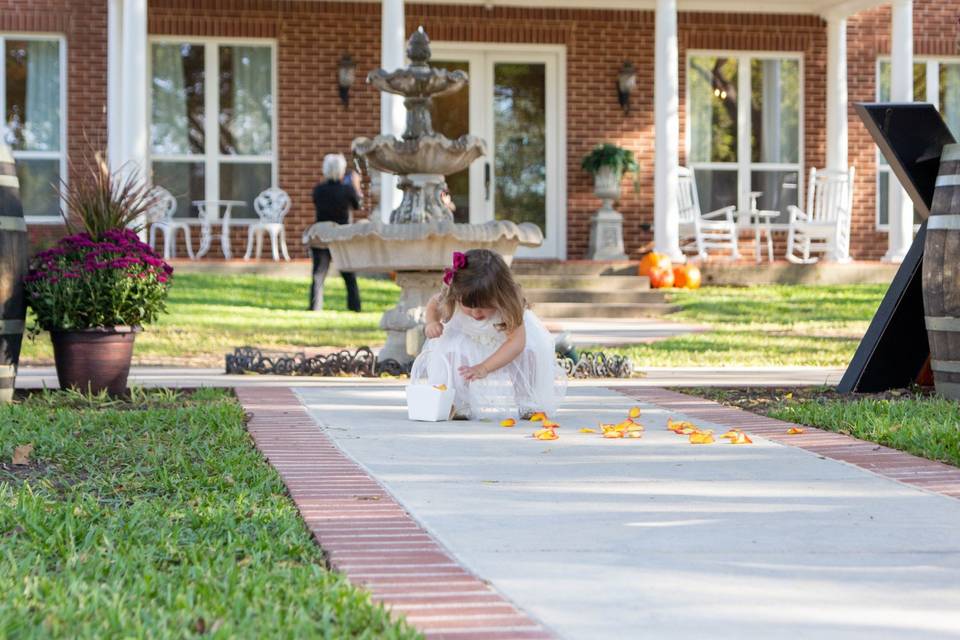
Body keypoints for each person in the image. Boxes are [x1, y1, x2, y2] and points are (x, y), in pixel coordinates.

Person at [410, 249, 567, 420]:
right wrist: (432, 322)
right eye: (468, 306)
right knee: (452, 353)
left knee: (530, 353)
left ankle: (527, 401)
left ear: (500, 296)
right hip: (468, 339)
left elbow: (516, 344)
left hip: (505, 344)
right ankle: (458, 402)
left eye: (484, 306)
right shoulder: (455, 294)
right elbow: (434, 303)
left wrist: (484, 367)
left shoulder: (508, 307)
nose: (476, 312)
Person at [310, 153, 361, 312]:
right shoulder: (347, 190)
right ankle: (354, 307)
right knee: (349, 276)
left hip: (322, 236)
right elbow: (357, 205)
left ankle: (315, 306)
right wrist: (356, 185)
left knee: (318, 275)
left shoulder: (318, 190)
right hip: (341, 236)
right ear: (341, 171)